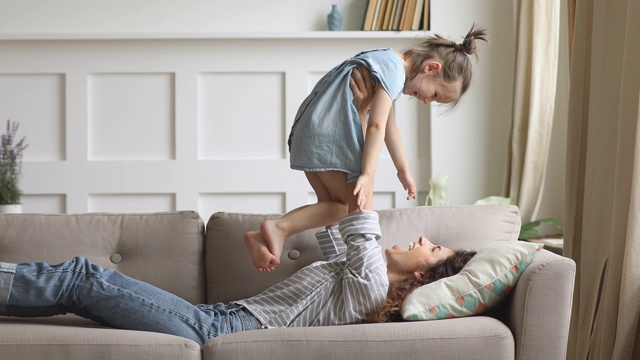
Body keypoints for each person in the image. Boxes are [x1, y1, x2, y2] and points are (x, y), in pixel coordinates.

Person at [0, 210, 476, 347]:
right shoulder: (356, 274)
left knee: (85, 280)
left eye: (430, 246)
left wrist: (372, 124)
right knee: (83, 293)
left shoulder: (370, 281)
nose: (419, 237)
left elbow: (356, 208)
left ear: (421, 272)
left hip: (217, 328)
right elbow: (335, 222)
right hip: (214, 318)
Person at [245, 24, 488, 272]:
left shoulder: (385, 60)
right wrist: (367, 173)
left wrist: (403, 170)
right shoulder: (393, 70)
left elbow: (389, 125)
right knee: (349, 210)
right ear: (431, 68)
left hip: (310, 131)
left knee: (330, 209)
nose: (427, 101)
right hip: (333, 136)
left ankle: (264, 238)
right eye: (434, 94)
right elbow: (376, 126)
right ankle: (278, 228)